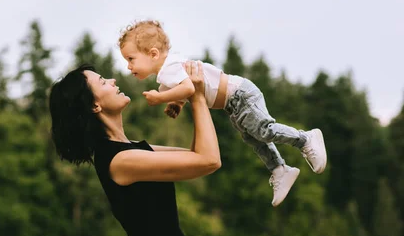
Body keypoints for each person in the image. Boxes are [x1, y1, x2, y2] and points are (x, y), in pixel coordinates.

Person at [49, 61, 220, 236]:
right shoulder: (120, 160)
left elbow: (197, 156)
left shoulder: (131, 149)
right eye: (103, 82)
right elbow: (210, 160)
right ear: (95, 106)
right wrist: (196, 96)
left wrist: (186, 98)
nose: (114, 81)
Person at [117, 19, 328, 207]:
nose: (128, 66)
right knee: (253, 138)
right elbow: (186, 89)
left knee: (264, 130)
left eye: (131, 59)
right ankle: (279, 169)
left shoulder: (169, 68)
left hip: (240, 95)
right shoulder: (166, 75)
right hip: (232, 103)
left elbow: (190, 89)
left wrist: (160, 98)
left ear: (153, 54)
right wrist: (177, 104)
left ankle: (305, 138)